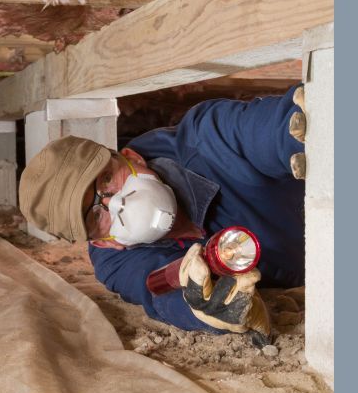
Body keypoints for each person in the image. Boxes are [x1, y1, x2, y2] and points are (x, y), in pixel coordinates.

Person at [19, 84, 307, 346]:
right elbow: (159, 294)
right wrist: (204, 309)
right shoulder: (116, 264)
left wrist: (303, 126)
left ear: (132, 158)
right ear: (102, 242)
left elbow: (266, 129)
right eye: (95, 216)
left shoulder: (207, 141)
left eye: (106, 180)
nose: (116, 203)